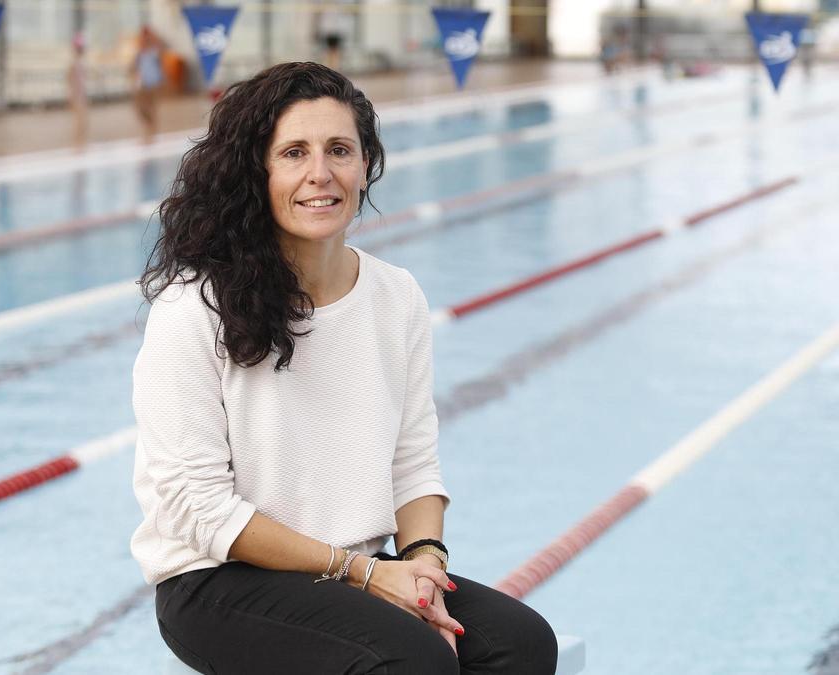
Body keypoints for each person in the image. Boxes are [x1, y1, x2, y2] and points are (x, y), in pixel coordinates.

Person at [131, 61, 558, 674]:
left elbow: (413, 459)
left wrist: (425, 569)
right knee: (411, 663)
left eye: (339, 150)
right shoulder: (195, 306)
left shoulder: (394, 294)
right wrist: (365, 575)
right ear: (257, 171)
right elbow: (197, 507)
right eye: (294, 153)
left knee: (522, 643)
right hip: (218, 582)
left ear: (366, 164)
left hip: (356, 571)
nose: (320, 175)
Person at [130, 26, 164, 142]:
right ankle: (150, 126)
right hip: (143, 82)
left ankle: (152, 131)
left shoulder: (154, 50)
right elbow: (134, 67)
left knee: (151, 107)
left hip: (153, 81)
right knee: (139, 107)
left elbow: (159, 64)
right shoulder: (140, 53)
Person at [68, 32, 89, 146]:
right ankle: (78, 142)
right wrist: (71, 95)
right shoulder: (75, 63)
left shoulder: (81, 62)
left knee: (82, 120)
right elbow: (70, 80)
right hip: (77, 95)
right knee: (79, 120)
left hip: (81, 94)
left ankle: (80, 141)